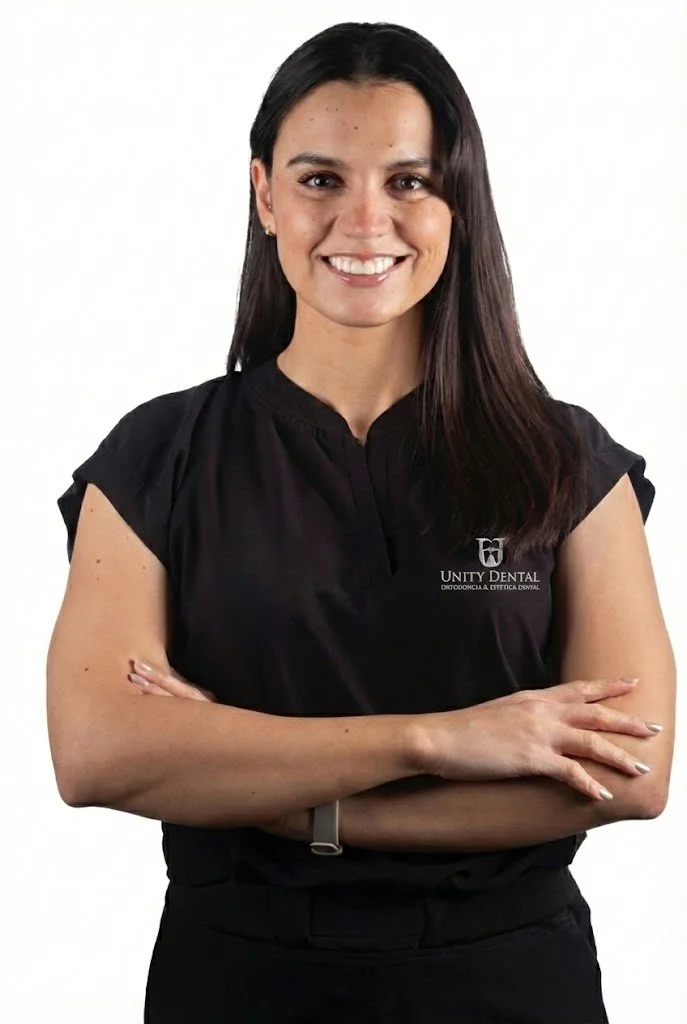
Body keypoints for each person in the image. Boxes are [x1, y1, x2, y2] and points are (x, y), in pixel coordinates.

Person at [48, 21, 674, 1024]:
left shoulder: (569, 462)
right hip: (240, 980)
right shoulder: (156, 458)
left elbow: (631, 773)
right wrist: (445, 740)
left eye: (410, 181)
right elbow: (96, 752)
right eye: (320, 179)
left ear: (457, 200)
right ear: (263, 193)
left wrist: (260, 781)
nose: (365, 219)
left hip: (509, 983)